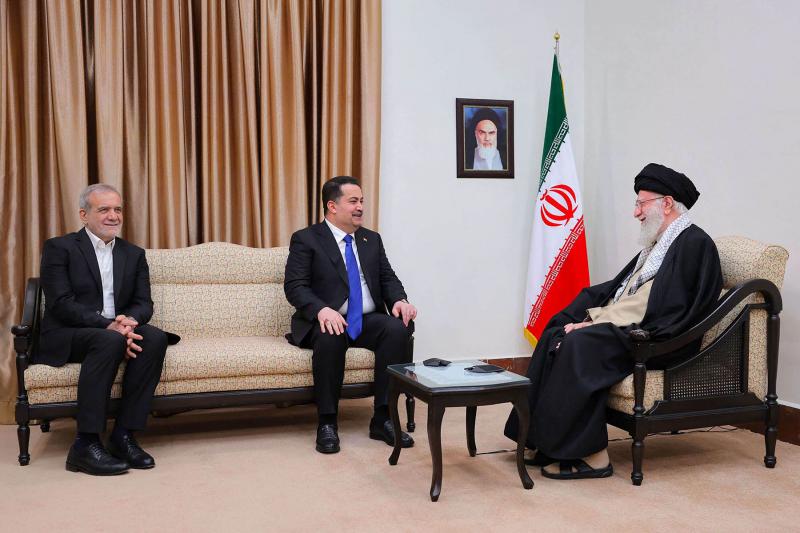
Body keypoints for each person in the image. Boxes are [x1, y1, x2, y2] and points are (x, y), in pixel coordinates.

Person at [504, 163, 723, 480]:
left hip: (660, 338)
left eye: (641, 204)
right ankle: (539, 438)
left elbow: (658, 304)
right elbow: (623, 290)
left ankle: (593, 456)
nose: (636, 212)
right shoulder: (660, 243)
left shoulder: (693, 244)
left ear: (667, 203)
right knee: (556, 328)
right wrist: (587, 314)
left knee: (580, 343)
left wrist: (595, 322)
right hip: (635, 327)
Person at [38, 184, 179, 475]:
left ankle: (124, 435)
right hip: (70, 332)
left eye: (117, 209)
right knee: (109, 341)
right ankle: (85, 444)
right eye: (104, 209)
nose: (113, 216)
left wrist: (128, 322)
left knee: (154, 338)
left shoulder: (133, 253)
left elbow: (144, 303)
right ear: (84, 215)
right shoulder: (60, 248)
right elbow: (61, 304)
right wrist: (109, 326)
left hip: (114, 331)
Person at [284, 176, 418, 454]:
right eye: (353, 201)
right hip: (327, 319)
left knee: (397, 328)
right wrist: (321, 309)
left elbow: (387, 277)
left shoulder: (371, 239)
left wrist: (400, 300)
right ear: (332, 206)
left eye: (362, 201)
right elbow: (295, 286)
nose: (360, 207)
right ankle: (327, 423)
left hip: (366, 319)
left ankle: (383, 418)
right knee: (330, 336)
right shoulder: (306, 239)